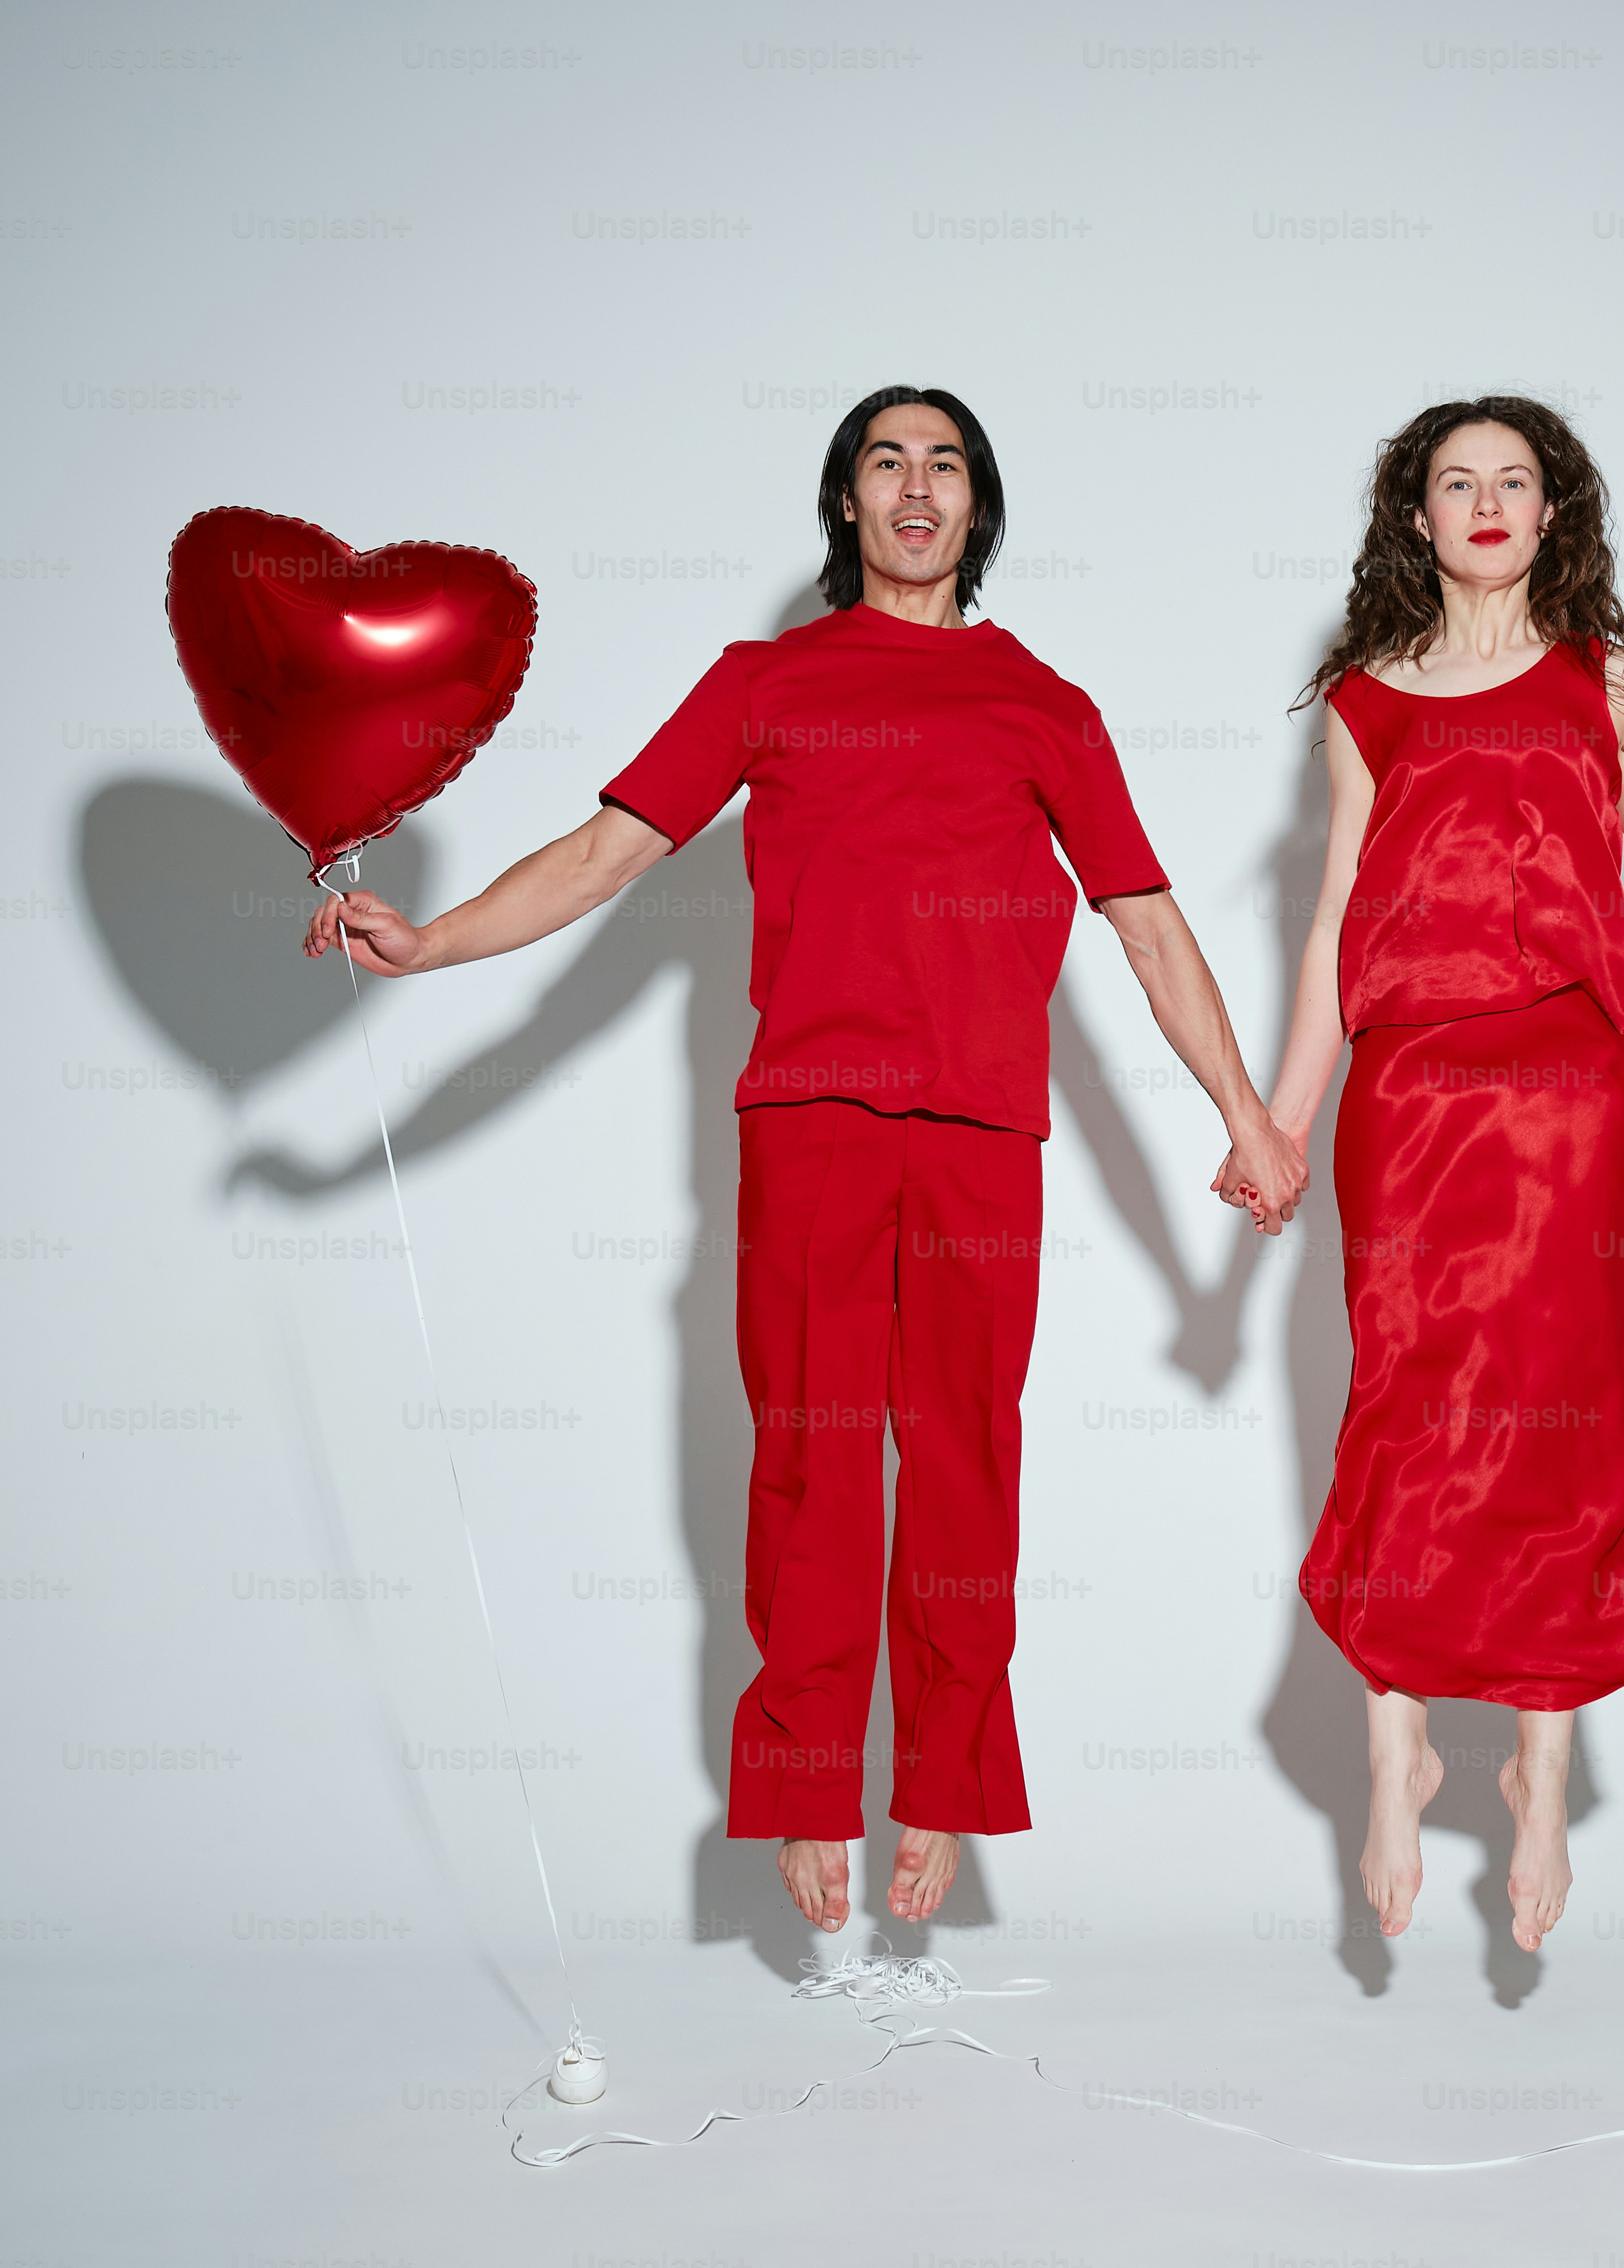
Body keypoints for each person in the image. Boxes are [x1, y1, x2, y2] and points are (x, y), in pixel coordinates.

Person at [308, 386, 1307, 1933]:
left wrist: (1244, 1114)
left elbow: (1152, 927)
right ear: (846, 502)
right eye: (886, 463)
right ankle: (801, 1783)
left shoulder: (1046, 703)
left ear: (979, 506)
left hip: (984, 1134)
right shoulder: (765, 681)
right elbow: (605, 852)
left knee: (968, 1464)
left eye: (947, 464)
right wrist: (431, 945)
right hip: (814, 1123)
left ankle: (948, 1788)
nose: (918, 487)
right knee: (811, 1463)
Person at [1241, 397, 1624, 1957]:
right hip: (1407, 1099)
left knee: (1563, 1414)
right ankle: (1394, 1736)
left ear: (1556, 512)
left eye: (1515, 481)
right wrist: (1280, 1124)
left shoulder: (1606, 678)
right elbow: (1336, 926)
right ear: (1417, 516)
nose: (1486, 503)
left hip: (1564, 1096)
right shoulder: (1366, 702)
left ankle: (1545, 1771)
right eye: (1455, 482)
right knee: (1406, 1408)